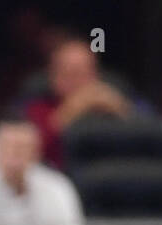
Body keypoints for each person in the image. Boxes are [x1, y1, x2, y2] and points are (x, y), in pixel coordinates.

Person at [22, 39, 131, 169]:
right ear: (54, 76)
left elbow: (146, 140)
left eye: (85, 73)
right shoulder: (38, 110)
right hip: (60, 180)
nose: (78, 81)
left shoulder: (112, 104)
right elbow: (37, 153)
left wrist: (121, 110)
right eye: (71, 73)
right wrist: (72, 109)